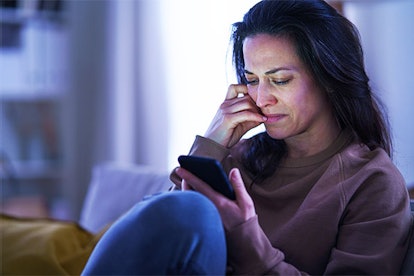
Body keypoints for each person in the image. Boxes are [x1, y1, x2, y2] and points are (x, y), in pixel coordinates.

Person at [82, 0, 412, 275]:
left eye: (280, 80)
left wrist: (248, 240)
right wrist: (212, 141)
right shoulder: (242, 155)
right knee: (184, 211)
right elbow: (159, 242)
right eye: (251, 79)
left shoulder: (373, 183)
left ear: (330, 77)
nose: (261, 97)